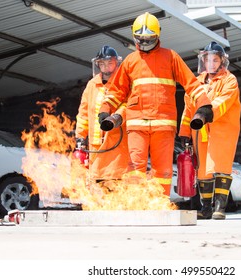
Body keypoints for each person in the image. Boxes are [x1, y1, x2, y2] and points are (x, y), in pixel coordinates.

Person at [98, 12, 214, 196]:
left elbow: (191, 83)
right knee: (135, 168)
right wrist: (104, 111)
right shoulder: (130, 61)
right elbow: (116, 91)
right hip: (137, 124)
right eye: (140, 39)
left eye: (148, 39)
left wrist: (204, 105)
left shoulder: (170, 57)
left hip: (163, 124)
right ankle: (136, 206)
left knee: (163, 171)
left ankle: (161, 205)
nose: (144, 43)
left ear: (158, 35)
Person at [179, 41, 241, 220]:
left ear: (222, 61)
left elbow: (224, 102)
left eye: (215, 60)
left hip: (222, 132)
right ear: (203, 62)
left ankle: (220, 208)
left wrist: (206, 112)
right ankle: (206, 208)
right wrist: (184, 131)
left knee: (221, 167)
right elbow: (188, 108)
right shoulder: (196, 82)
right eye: (208, 60)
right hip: (200, 131)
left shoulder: (229, 80)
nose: (211, 64)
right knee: (203, 170)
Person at [75, 45, 131, 182]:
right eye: (102, 63)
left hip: (118, 147)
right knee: (98, 187)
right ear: (97, 64)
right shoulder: (92, 85)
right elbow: (83, 114)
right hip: (95, 148)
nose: (106, 67)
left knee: (117, 186)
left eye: (109, 63)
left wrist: (115, 118)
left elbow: (128, 106)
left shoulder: (125, 83)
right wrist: (80, 137)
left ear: (117, 63)